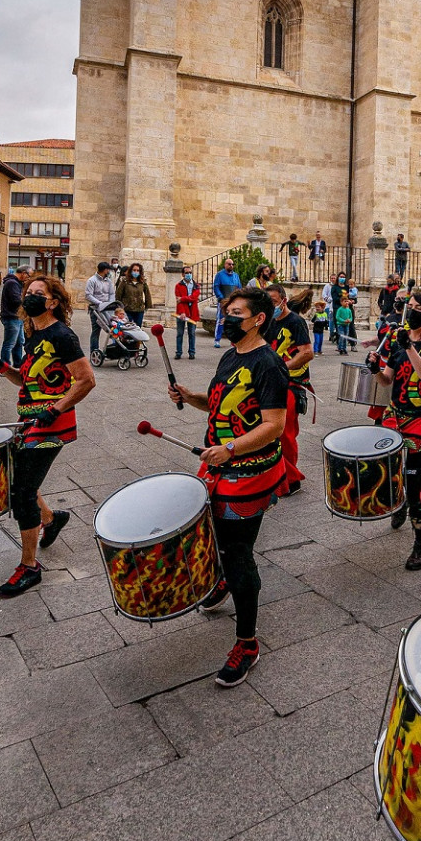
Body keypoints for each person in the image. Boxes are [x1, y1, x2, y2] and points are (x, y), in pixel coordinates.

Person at [169, 285, 288, 686]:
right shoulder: (229, 355)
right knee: (219, 542)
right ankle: (223, 580)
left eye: (237, 312)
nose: (228, 317)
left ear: (257, 319)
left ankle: (247, 643)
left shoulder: (269, 364)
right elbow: (221, 403)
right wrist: (192, 397)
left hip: (250, 472)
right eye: (226, 311)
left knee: (238, 553)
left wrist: (231, 448)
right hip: (221, 466)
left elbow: (275, 426)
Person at [0, 276, 95, 597]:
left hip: (51, 424)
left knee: (22, 491)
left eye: (38, 294)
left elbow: (86, 380)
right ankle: (50, 518)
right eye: (27, 292)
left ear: (53, 302)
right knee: (19, 478)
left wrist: (56, 408)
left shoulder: (62, 335)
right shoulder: (32, 335)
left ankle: (30, 566)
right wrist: (3, 367)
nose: (30, 297)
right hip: (28, 419)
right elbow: (27, 382)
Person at [368, 290, 421, 570]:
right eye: (408, 307)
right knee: (387, 467)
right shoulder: (397, 341)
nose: (409, 312)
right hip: (396, 415)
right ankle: (398, 501)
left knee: (415, 479)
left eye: (416, 309)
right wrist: (375, 368)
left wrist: (410, 348)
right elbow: (387, 380)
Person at [263, 281, 313, 494]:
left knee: (285, 433)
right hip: (270, 383)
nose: (270, 306)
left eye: (273, 302)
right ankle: (273, 475)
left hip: (292, 384)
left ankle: (291, 480)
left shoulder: (296, 322)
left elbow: (307, 352)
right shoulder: (265, 321)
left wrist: (282, 367)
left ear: (283, 301)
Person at [85, 261, 116, 355]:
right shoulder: (92, 280)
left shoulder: (108, 281)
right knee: (96, 330)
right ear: (104, 270)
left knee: (112, 328)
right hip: (96, 308)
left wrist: (111, 303)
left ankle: (116, 347)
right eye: (108, 270)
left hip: (107, 309)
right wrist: (100, 303)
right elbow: (88, 295)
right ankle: (94, 351)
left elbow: (111, 293)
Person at [212, 257, 242, 347]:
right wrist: (221, 298)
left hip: (233, 302)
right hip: (223, 302)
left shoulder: (236, 276)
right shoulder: (220, 275)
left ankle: (233, 340)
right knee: (221, 321)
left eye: (232, 264)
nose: (231, 266)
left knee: (234, 321)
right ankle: (217, 340)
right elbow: (216, 287)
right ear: (225, 265)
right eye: (229, 264)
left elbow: (239, 287)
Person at [0, 268, 25, 368]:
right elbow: (16, 300)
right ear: (23, 273)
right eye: (28, 275)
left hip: (18, 317)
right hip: (11, 316)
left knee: (19, 342)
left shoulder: (17, 283)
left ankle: (17, 365)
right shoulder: (12, 283)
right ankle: (5, 366)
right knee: (9, 343)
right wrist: (26, 299)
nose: (28, 278)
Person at [174, 267, 200, 360]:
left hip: (193, 313)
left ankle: (192, 352)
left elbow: (194, 297)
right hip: (182, 313)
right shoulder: (178, 286)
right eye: (186, 272)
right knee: (180, 333)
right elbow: (178, 301)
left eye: (190, 272)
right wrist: (182, 312)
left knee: (192, 333)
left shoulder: (196, 285)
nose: (188, 274)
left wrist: (183, 298)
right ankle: (178, 352)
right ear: (183, 274)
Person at [116, 262, 152, 327]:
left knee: (138, 328)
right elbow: (118, 294)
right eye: (134, 270)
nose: (136, 272)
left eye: (138, 270)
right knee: (127, 328)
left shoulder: (142, 282)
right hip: (127, 309)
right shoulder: (124, 281)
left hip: (139, 309)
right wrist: (119, 306)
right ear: (131, 271)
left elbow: (147, 294)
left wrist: (147, 306)